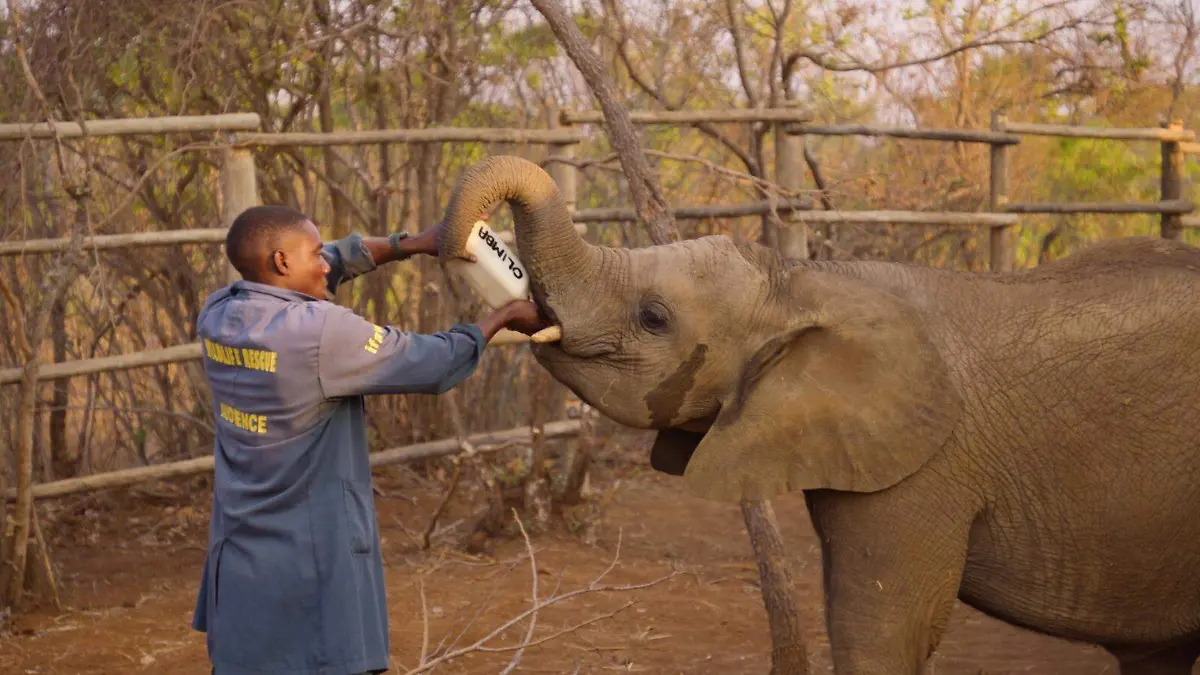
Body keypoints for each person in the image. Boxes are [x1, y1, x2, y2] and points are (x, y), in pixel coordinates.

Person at [190, 204, 545, 675]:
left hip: (242, 569)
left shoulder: (219, 312)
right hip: (311, 562)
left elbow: (331, 262)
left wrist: (412, 244)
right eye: (314, 254)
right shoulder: (320, 333)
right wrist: (504, 316)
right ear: (281, 261)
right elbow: (434, 362)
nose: (325, 264)